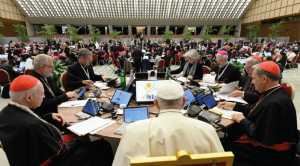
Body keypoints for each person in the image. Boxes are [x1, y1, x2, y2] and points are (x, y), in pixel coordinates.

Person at [0, 75, 113, 166]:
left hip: (24, 157)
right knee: (103, 146)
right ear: (29, 97)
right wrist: (78, 141)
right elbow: (59, 152)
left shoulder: (6, 112)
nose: (44, 96)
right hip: (52, 161)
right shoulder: (31, 124)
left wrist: (48, 117)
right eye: (42, 93)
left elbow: (29, 124)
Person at [113, 80, 224, 166]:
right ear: (184, 102)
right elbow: (220, 162)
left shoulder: (133, 130)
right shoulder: (207, 130)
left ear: (156, 103)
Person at [218, 61, 297, 166]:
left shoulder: (274, 103)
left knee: (221, 146)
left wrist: (242, 119)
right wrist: (233, 106)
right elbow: (258, 109)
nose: (252, 82)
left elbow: (259, 135)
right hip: (270, 148)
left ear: (264, 79)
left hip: (270, 154)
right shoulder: (276, 92)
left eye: (254, 78)